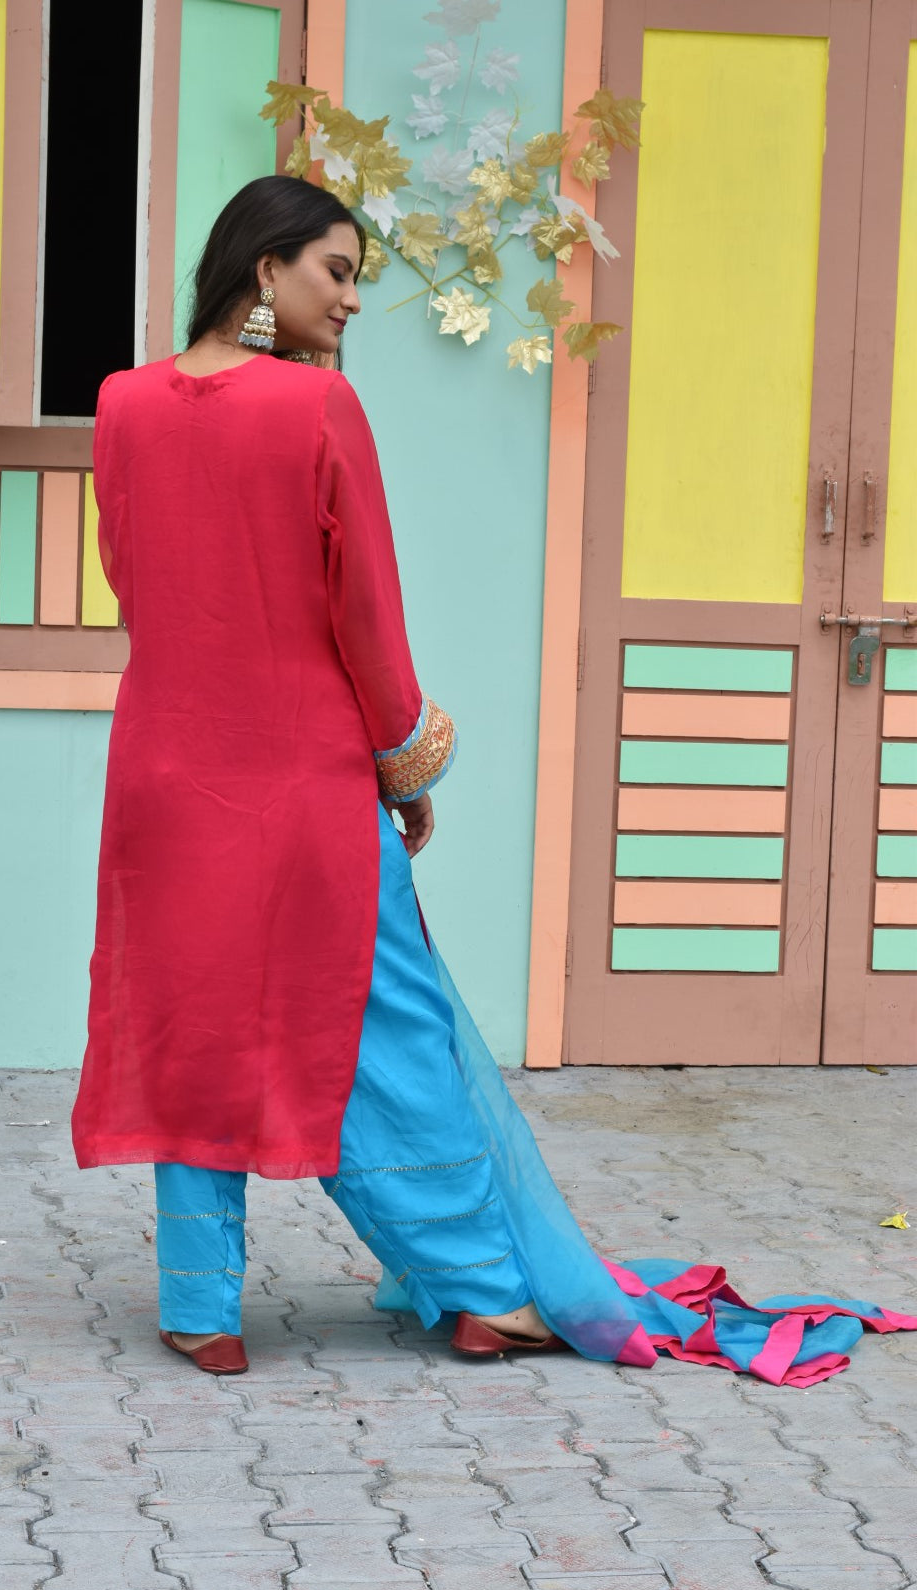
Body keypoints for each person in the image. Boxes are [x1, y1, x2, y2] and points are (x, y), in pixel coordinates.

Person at [72, 176, 915, 1387]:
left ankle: (199, 1306)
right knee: (390, 1035)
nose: (354, 300)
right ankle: (479, 1291)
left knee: (195, 1024)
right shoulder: (317, 410)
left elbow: (132, 580)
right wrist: (406, 761)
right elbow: (364, 617)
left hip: (163, 778)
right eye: (336, 271)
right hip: (303, 786)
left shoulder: (120, 405)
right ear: (266, 271)